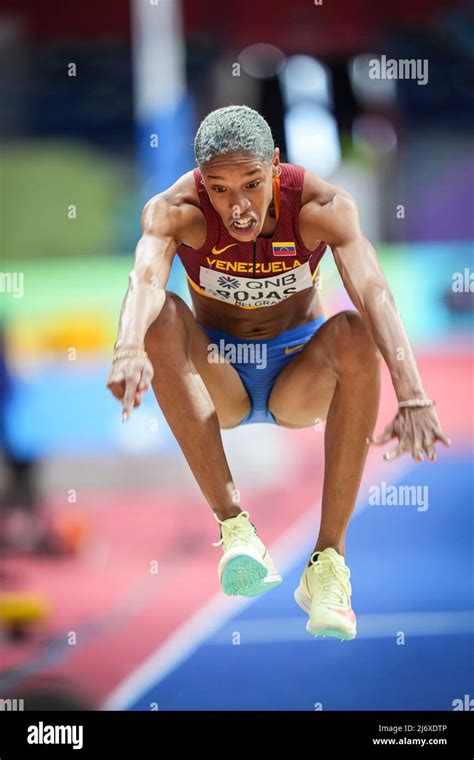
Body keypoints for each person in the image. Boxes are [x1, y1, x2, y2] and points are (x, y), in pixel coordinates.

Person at [107, 106, 449, 640]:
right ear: (201, 183)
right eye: (219, 190)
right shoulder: (175, 209)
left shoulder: (320, 207)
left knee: (356, 331)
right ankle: (235, 528)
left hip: (300, 375)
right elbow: (144, 279)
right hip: (222, 375)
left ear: (274, 165)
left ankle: (328, 562)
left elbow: (374, 290)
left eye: (250, 184)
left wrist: (413, 393)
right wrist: (127, 346)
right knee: (160, 319)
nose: (238, 207)